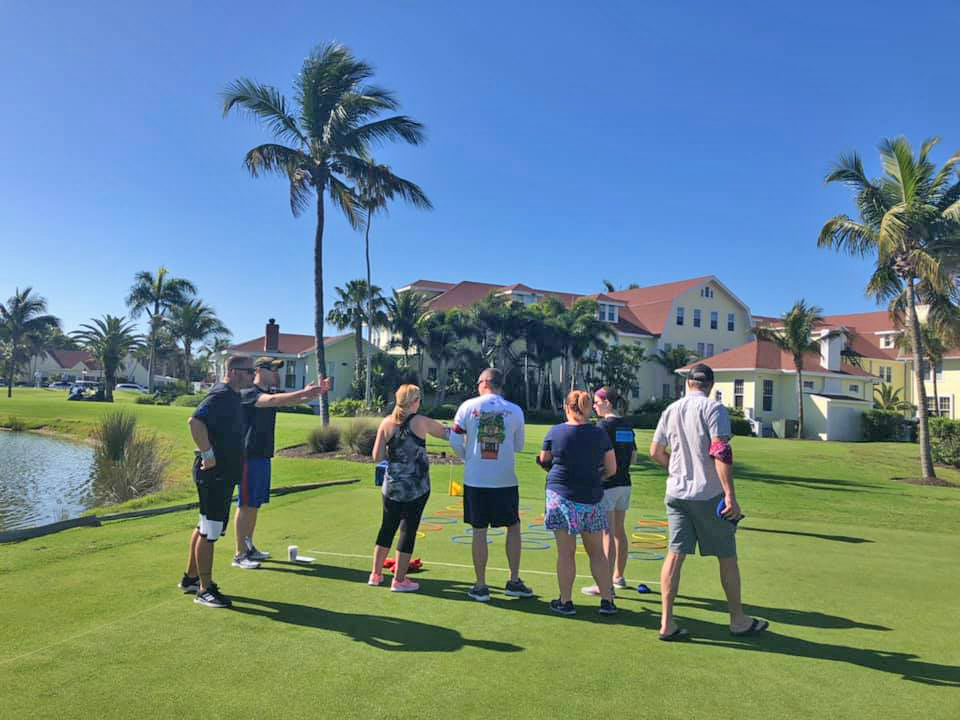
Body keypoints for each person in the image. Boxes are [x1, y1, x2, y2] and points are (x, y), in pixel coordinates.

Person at [649, 363, 769, 640]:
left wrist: (677, 471)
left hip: (676, 494)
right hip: (708, 494)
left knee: (675, 554)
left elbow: (655, 452)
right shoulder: (714, 409)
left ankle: (667, 623)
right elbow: (720, 451)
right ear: (710, 385)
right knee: (727, 556)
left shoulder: (672, 409)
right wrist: (730, 495)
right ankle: (738, 620)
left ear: (689, 383)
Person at [232, 357, 329, 569]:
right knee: (246, 504)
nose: (276, 373)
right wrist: (304, 392)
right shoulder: (249, 393)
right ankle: (240, 554)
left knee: (254, 504)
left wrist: (313, 393)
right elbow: (275, 401)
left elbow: (288, 401)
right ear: (258, 370)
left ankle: (249, 548)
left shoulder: (270, 393)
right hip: (249, 457)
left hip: (263, 456)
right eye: (271, 369)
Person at [448, 368, 533, 602]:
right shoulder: (515, 410)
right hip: (505, 479)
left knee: (478, 531)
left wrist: (468, 457)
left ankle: (480, 585)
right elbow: (519, 446)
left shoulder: (467, 406)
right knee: (513, 527)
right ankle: (514, 580)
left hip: (475, 479)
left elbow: (454, 438)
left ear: (484, 382)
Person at [178, 355, 254, 608]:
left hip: (223, 475)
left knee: (204, 527)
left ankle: (190, 578)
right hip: (214, 475)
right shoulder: (221, 394)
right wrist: (208, 454)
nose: (252, 375)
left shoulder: (232, 396)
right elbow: (195, 421)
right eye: (248, 371)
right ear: (233, 371)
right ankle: (205, 589)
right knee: (209, 531)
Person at [538, 390, 618, 616]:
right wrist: (595, 477)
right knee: (597, 554)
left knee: (566, 553)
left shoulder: (556, 432)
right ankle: (607, 600)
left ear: (567, 407)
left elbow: (544, 460)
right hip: (591, 497)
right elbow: (611, 469)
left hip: (561, 496)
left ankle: (566, 601)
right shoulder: (599, 434)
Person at [370, 384, 451, 592]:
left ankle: (375, 575)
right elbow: (447, 433)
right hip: (416, 488)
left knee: (387, 528)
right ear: (414, 402)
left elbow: (376, 457)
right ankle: (399, 580)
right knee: (408, 530)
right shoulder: (421, 421)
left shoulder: (387, 423)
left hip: (392, 487)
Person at [581, 386, 636, 597]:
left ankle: (606, 585)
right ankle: (618, 577)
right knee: (618, 532)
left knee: (607, 533)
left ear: (607, 403)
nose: (594, 405)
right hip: (625, 483)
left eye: (596, 401)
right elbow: (633, 457)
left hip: (608, 485)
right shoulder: (626, 425)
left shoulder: (602, 426)